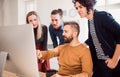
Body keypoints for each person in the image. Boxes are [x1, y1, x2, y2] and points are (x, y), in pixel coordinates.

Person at [72, 0, 120, 77]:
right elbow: (92, 38)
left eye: (80, 7)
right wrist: (80, 46)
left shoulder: (102, 16)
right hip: (99, 63)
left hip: (110, 62)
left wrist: (115, 60)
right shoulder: (90, 20)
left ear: (88, 5)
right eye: (76, 8)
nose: (78, 10)